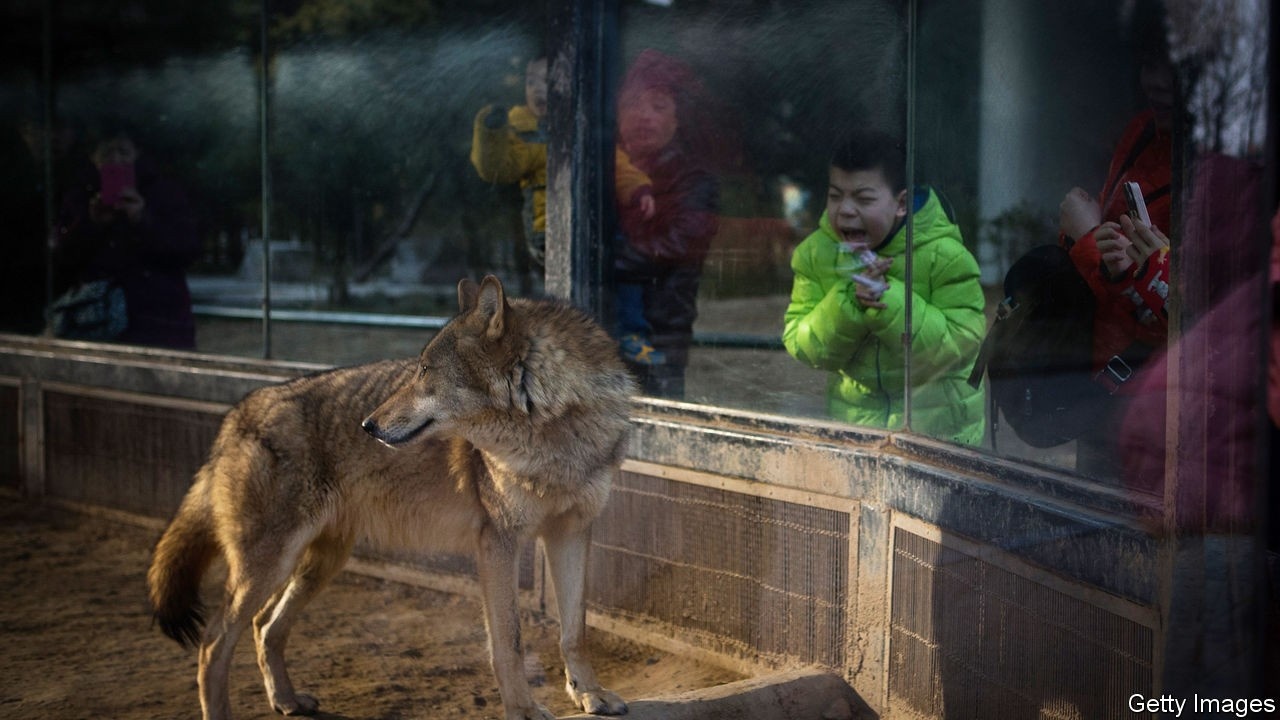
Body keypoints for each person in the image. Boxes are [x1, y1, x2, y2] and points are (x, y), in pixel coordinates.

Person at [783, 129, 986, 444]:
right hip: (856, 430)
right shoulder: (815, 253)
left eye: (863, 198)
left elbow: (962, 346)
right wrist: (849, 304)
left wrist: (889, 300)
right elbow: (801, 343)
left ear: (901, 203)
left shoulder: (945, 256)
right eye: (835, 196)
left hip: (939, 434)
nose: (845, 210)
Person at [471, 56, 659, 362]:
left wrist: (638, 189)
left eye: (548, 82)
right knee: (568, 290)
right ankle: (567, 351)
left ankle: (631, 335)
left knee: (627, 266)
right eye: (531, 82)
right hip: (548, 229)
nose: (538, 89)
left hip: (594, 225)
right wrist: (490, 130)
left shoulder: (582, 123)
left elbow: (616, 164)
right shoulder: (520, 127)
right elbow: (497, 167)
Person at [1056, 26, 1175, 476]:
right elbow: (1109, 259)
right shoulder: (1142, 130)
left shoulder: (1224, 168)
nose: (1157, 82)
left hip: (1160, 397)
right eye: (1150, 63)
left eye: (1175, 67)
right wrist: (1081, 237)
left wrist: (1087, 240)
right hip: (1103, 379)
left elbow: (1185, 319)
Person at [612, 49, 723, 397]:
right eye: (633, 104)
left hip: (660, 336)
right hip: (597, 329)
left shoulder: (693, 179)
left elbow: (679, 243)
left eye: (658, 106)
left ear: (676, 121)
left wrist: (605, 261)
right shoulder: (602, 171)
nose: (644, 115)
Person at [52, 121, 201, 350]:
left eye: (123, 152)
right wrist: (91, 223)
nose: (116, 160)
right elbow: (61, 260)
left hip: (157, 320)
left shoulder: (164, 193)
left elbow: (187, 248)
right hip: (96, 322)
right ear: (93, 159)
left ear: (137, 155)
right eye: (106, 154)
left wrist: (143, 219)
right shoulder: (79, 196)